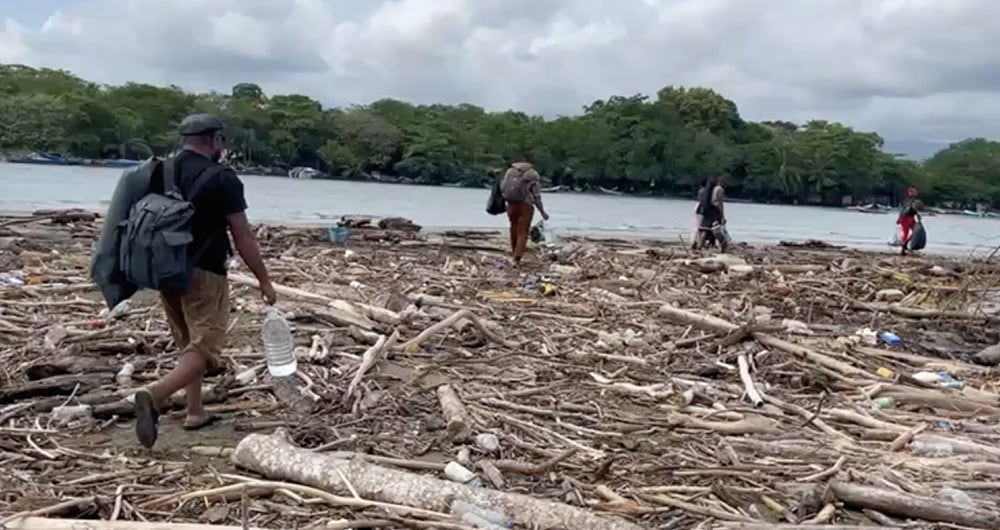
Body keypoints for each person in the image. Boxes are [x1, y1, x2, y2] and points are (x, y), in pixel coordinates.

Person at [133, 113, 277, 449]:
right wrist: (264, 281)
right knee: (205, 346)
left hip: (164, 270)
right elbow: (243, 236)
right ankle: (155, 395)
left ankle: (194, 411)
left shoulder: (159, 171)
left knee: (188, 343)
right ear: (214, 140)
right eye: (221, 140)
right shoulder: (222, 178)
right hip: (205, 271)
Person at [500, 155, 549, 264]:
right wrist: (542, 212)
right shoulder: (532, 174)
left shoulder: (510, 172)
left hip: (511, 203)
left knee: (513, 228)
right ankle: (517, 258)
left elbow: (503, 187)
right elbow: (536, 196)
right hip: (525, 205)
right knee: (523, 232)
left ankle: (513, 253)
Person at [695, 175, 726, 251]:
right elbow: (720, 203)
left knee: (704, 228)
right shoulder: (719, 189)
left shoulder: (708, 189)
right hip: (714, 210)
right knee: (717, 229)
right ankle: (721, 245)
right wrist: (722, 215)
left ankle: (700, 244)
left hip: (706, 209)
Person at [897, 186, 920, 256]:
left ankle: (904, 246)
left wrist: (899, 218)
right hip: (908, 218)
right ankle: (905, 244)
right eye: (914, 192)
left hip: (904, 218)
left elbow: (903, 210)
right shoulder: (912, 201)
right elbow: (910, 209)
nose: (916, 193)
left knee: (906, 233)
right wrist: (918, 216)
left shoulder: (906, 200)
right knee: (915, 232)